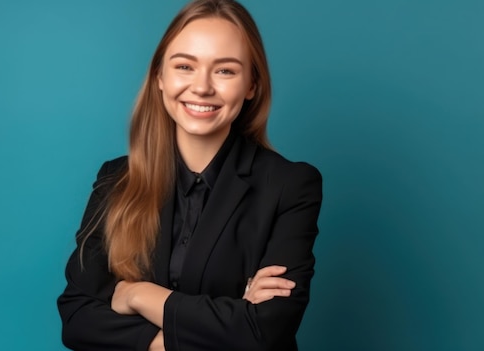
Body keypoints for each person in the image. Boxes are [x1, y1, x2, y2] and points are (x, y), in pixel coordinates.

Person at [57, 0, 322, 350]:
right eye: (185, 66)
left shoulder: (290, 186)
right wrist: (224, 320)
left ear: (252, 85)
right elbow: (77, 319)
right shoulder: (115, 180)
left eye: (225, 71)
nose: (202, 87)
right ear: (160, 78)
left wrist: (137, 294)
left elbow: (263, 333)